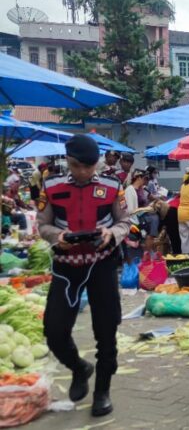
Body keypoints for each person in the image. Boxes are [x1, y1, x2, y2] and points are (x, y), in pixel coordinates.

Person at [37, 134, 130, 417]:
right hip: (66, 266)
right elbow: (43, 224)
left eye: (90, 167)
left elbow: (125, 221)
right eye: (78, 166)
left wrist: (110, 234)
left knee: (106, 330)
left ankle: (102, 390)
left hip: (101, 263)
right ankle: (79, 368)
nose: (84, 173)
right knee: (54, 330)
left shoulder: (112, 186)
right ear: (68, 161)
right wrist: (58, 236)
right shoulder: (51, 186)